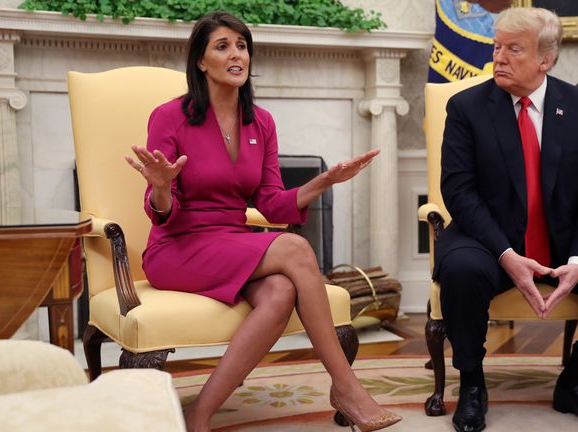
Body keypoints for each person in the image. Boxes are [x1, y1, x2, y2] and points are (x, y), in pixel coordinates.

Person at [124, 11, 401, 432]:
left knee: (280, 290)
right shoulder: (169, 117)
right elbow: (162, 209)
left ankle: (200, 414)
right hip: (178, 246)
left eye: (241, 45)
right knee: (294, 247)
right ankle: (346, 385)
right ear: (200, 61)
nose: (236, 54)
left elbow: (271, 203)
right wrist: (161, 186)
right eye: (222, 46)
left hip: (231, 243)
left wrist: (324, 180)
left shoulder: (261, 122)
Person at [434, 7, 578, 430]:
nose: (498, 57)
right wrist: (505, 253)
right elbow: (459, 193)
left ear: (546, 59)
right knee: (461, 268)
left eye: (513, 49)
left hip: (562, 238)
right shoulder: (466, 107)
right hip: (488, 238)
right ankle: (471, 383)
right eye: (496, 47)